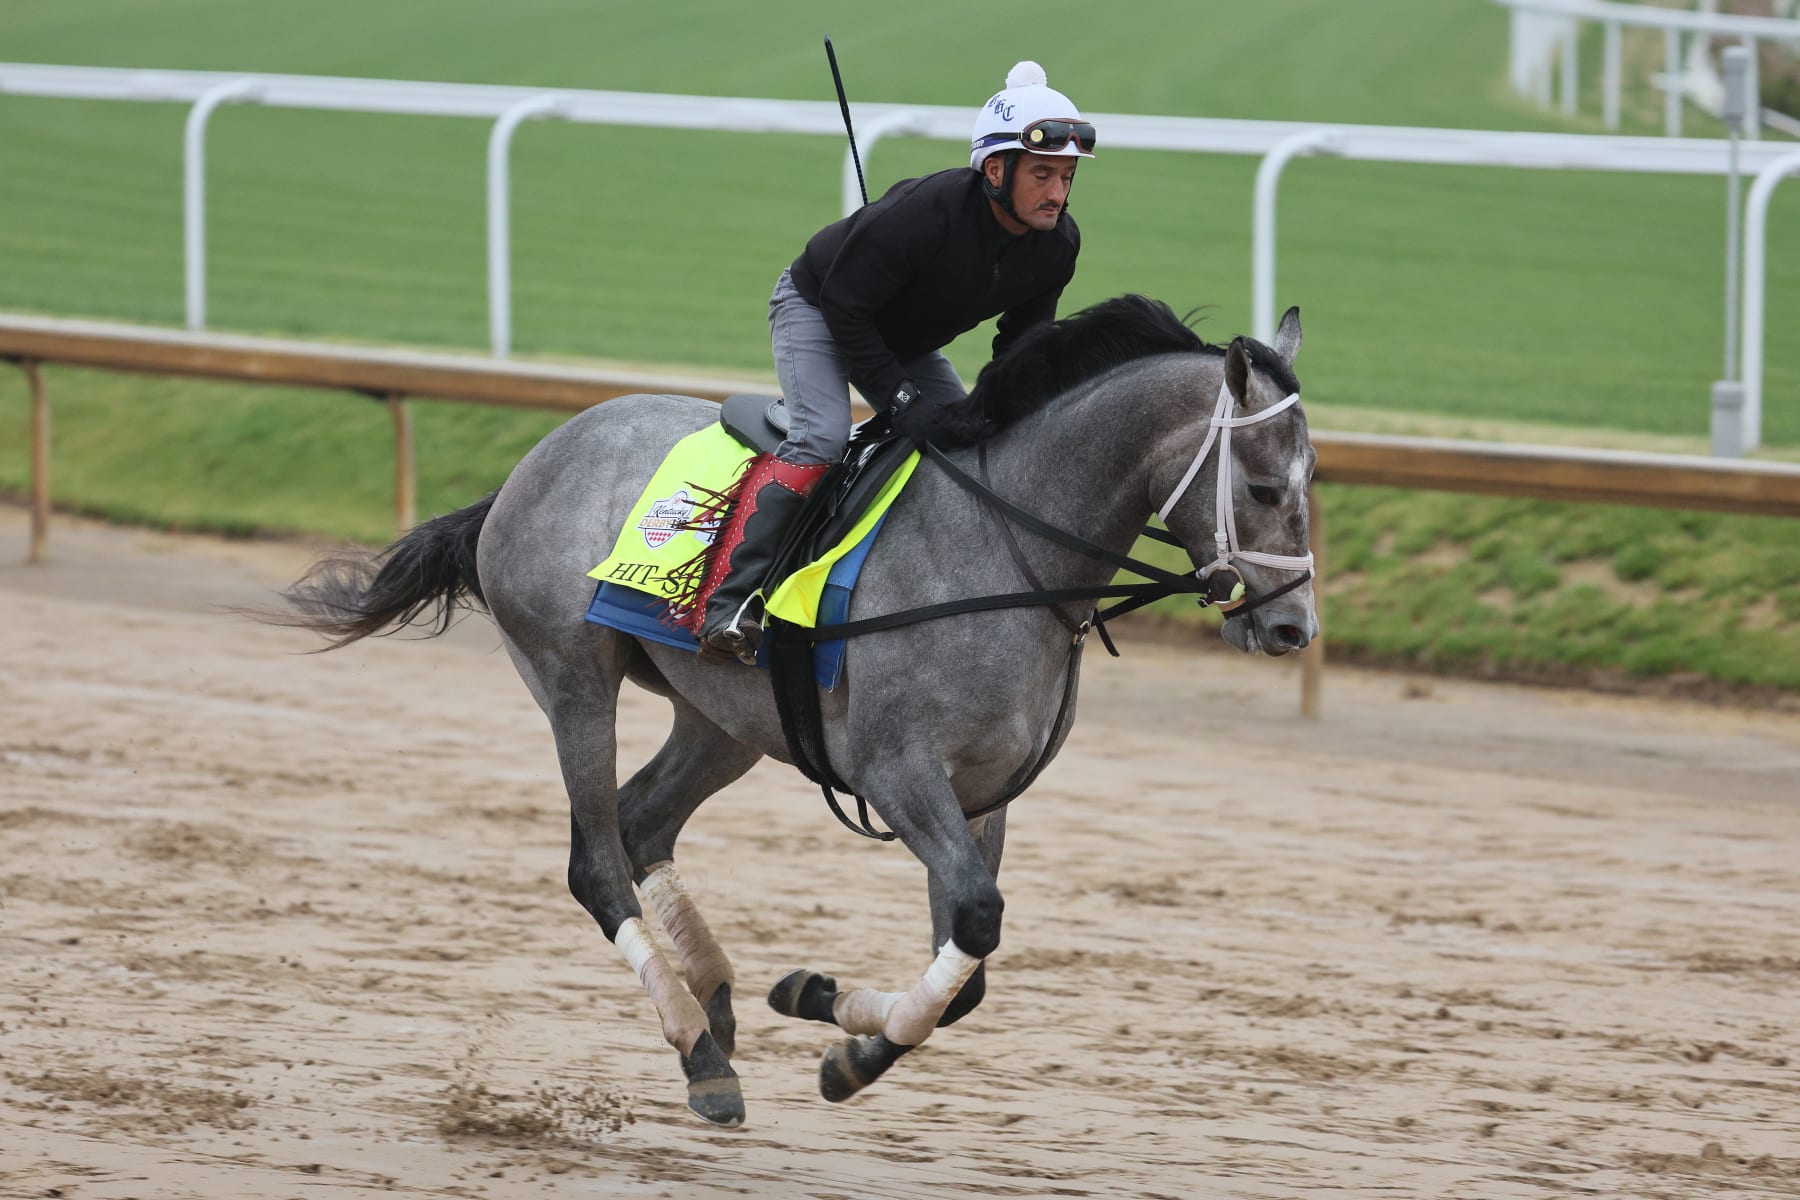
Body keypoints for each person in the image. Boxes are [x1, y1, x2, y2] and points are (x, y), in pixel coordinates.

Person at [693, 60, 1097, 665]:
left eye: (1066, 177)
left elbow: (1022, 341)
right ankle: (731, 603)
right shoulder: (926, 211)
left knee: (965, 447)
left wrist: (1002, 411)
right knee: (823, 437)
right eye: (1043, 174)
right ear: (996, 169)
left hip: (900, 339)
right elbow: (845, 308)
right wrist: (903, 402)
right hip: (819, 308)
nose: (1058, 193)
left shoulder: (1057, 244)